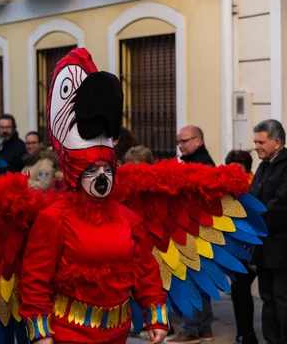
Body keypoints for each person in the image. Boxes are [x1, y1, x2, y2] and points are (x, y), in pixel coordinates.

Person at [20, 48, 169, 344]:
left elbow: (144, 269)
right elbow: (35, 280)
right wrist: (40, 334)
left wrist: (156, 315)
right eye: (92, 168)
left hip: (118, 333)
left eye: (106, 167)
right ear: (75, 170)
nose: (101, 175)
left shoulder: (127, 218)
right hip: (68, 335)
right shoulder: (53, 219)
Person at [167, 125, 215, 343]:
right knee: (201, 280)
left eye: (184, 141)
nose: (180, 145)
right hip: (199, 232)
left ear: (198, 140)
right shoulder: (197, 162)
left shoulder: (199, 166)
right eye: (179, 141)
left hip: (191, 232)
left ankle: (189, 330)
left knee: (187, 281)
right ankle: (203, 327)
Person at [251, 119, 287, 344]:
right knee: (267, 298)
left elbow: (281, 205)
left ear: (277, 142)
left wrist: (254, 219)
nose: (256, 146)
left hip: (282, 248)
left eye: (260, 141)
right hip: (263, 248)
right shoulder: (264, 165)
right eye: (255, 141)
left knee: (282, 299)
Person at [225, 149, 258, 344]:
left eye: (239, 172)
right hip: (239, 249)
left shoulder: (255, 186)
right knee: (239, 291)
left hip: (257, 247)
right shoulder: (227, 190)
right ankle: (245, 334)